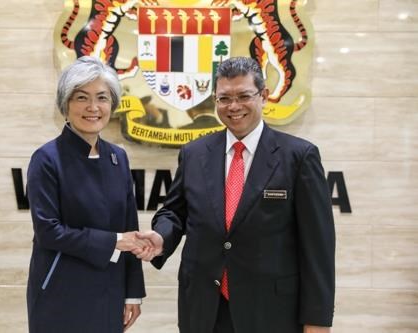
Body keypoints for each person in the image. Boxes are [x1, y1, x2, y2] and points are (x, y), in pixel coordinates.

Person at [135, 57, 335, 333]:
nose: (234, 106)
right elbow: (175, 212)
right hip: (204, 309)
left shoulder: (299, 157)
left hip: (271, 312)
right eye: (224, 98)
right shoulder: (194, 154)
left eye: (244, 96)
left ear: (263, 96)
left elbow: (318, 247)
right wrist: (161, 236)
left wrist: (317, 320)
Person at [26, 56, 147, 333]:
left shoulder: (118, 157)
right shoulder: (46, 159)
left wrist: (132, 293)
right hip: (60, 291)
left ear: (112, 104)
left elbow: (130, 228)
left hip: (109, 290)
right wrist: (116, 241)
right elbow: (49, 231)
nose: (93, 107)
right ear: (65, 105)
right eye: (82, 98)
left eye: (102, 98)